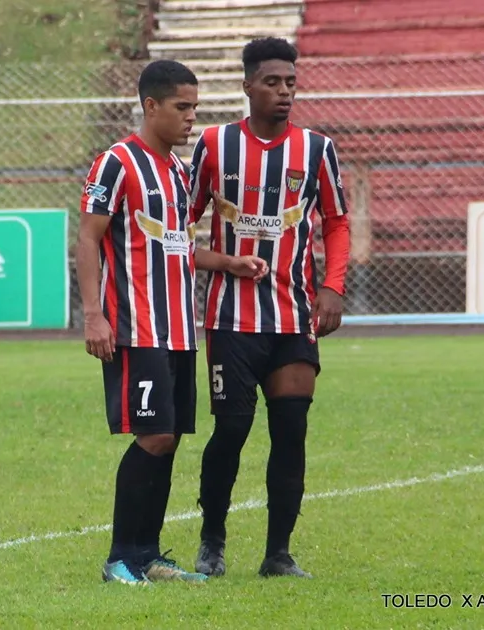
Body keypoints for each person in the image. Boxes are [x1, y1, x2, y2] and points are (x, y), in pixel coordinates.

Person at [76, 59, 269, 587]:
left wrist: (230, 263)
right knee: (154, 436)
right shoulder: (116, 163)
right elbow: (89, 238)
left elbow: (176, 247)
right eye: (182, 108)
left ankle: (147, 555)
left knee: (171, 438)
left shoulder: (179, 174)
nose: (191, 119)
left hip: (180, 329)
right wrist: (93, 316)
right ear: (151, 106)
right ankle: (120, 557)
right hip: (137, 328)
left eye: (196, 108)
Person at [187, 37, 351, 579]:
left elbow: (336, 222)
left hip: (292, 317)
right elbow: (179, 225)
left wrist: (332, 286)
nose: (284, 92)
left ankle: (278, 553)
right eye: (272, 82)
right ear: (247, 86)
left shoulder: (317, 150)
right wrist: (219, 262)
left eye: (290, 83)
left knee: (291, 430)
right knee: (231, 430)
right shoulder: (213, 146)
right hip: (230, 319)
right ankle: (212, 540)